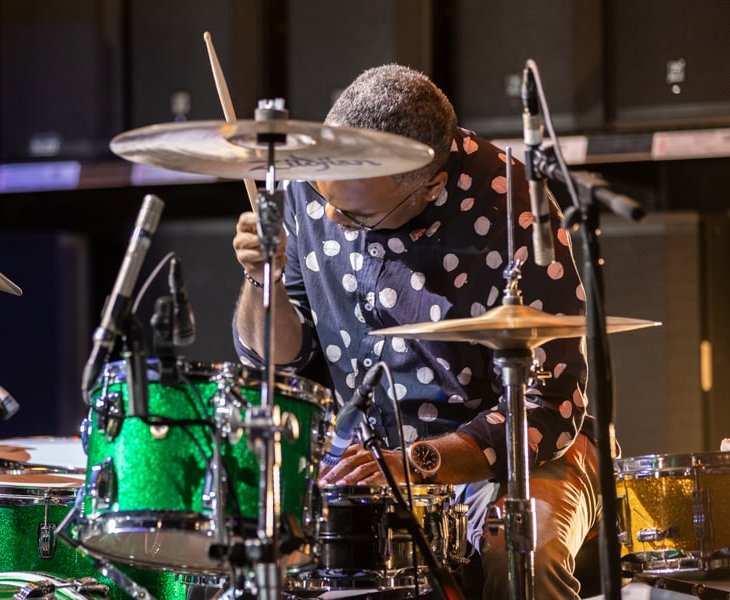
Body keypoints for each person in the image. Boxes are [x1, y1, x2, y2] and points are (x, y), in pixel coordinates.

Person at [231, 64, 600, 599]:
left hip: (514, 453)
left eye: (355, 215)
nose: (329, 215)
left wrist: (419, 463)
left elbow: (551, 405)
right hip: (362, 451)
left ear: (430, 187)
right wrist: (259, 279)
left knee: (524, 555)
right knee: (251, 544)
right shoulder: (308, 182)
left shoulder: (517, 209)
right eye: (321, 194)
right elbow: (282, 358)